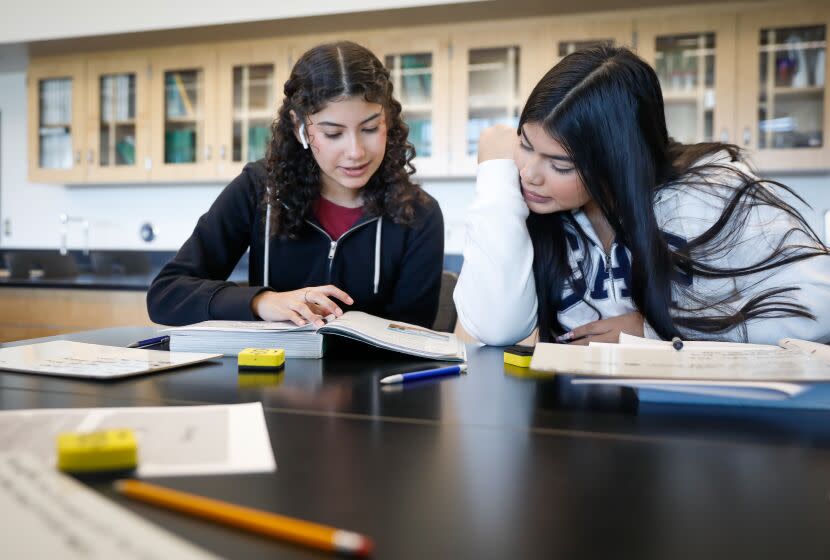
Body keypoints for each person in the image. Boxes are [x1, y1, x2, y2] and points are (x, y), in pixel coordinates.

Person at [454, 45, 830, 346]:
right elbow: (498, 328)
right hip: (581, 419)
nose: (529, 174)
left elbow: (819, 309)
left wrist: (660, 333)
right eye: (524, 145)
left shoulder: (705, 195)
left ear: (616, 161)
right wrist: (494, 178)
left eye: (561, 165)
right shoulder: (530, 198)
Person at [148, 41, 444, 328]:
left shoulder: (419, 214)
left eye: (369, 128)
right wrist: (262, 302)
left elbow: (412, 339)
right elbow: (167, 294)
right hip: (272, 376)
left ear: (388, 122)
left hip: (374, 379)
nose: (355, 151)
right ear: (298, 126)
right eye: (332, 133)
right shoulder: (259, 188)